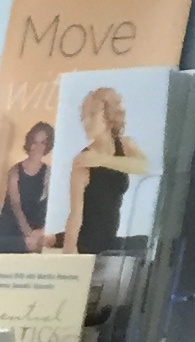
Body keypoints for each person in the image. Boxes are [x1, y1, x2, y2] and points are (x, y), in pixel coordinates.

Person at [63, 85, 150, 253]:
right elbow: (75, 215)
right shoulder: (83, 161)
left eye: (92, 115)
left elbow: (145, 167)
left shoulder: (125, 145)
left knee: (148, 243)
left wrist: (101, 160)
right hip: (89, 245)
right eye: (83, 117)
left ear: (109, 115)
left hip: (109, 241)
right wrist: (69, 254)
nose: (86, 122)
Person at [3, 118, 55, 248]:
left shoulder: (49, 172)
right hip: (16, 222)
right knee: (23, 244)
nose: (38, 147)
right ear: (29, 142)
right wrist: (27, 232)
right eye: (35, 142)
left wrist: (40, 232)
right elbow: (16, 206)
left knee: (50, 241)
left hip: (36, 222)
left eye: (43, 143)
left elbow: (51, 205)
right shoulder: (15, 171)